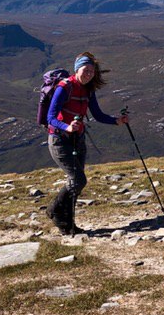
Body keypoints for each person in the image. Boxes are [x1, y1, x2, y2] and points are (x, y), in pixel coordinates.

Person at [46, 52, 129, 234]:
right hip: (59, 139)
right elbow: (50, 117)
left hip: (78, 138)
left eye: (92, 71)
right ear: (77, 69)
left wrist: (116, 121)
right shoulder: (64, 87)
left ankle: (68, 224)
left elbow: (97, 115)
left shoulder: (88, 90)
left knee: (75, 182)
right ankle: (55, 210)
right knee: (78, 180)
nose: (89, 74)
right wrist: (67, 127)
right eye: (86, 70)